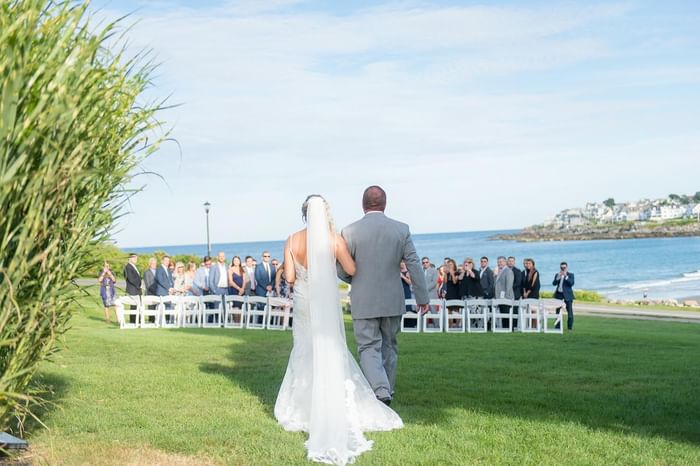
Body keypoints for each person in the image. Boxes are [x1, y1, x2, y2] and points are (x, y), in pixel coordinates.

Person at [275, 194, 403, 465]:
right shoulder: (333, 239)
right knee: (331, 348)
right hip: (326, 304)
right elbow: (351, 268)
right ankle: (333, 403)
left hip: (302, 302)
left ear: (304, 214)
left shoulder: (292, 240)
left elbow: (288, 277)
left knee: (304, 349)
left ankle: (303, 408)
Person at [338, 185, 429, 405]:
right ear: (385, 204)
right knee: (390, 344)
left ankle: (380, 390)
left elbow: (341, 268)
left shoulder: (349, 231)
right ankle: (386, 388)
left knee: (368, 346)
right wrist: (422, 297)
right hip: (392, 298)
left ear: (363, 204)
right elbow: (414, 263)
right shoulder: (401, 229)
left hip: (364, 299)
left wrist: (357, 281)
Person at [553, 262, 575, 331]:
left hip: (567, 295)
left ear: (567, 267)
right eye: (561, 267)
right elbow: (553, 283)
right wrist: (558, 277)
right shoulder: (557, 274)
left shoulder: (571, 275)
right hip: (559, 294)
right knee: (557, 311)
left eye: (564, 267)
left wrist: (566, 276)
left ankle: (570, 328)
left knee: (570, 312)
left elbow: (571, 283)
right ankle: (557, 327)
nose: (562, 269)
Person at [494, 256, 514, 328]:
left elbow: (508, 286)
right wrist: (495, 275)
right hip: (499, 297)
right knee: (503, 315)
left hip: (506, 297)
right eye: (498, 262)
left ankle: (509, 329)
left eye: (501, 262)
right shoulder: (499, 271)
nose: (499, 263)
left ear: (505, 262)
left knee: (507, 315)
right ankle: (505, 329)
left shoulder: (508, 271)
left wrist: (504, 297)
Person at [122, 253, 141, 323]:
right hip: (132, 289)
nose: (136, 260)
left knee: (137, 306)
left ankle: (137, 320)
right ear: (130, 259)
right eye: (134, 258)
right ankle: (133, 321)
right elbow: (131, 279)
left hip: (137, 289)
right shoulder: (128, 267)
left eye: (136, 258)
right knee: (133, 306)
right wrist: (138, 286)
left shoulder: (134, 266)